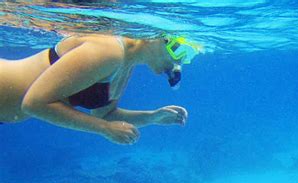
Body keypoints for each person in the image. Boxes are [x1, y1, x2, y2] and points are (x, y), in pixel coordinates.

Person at [0, 34, 200, 144]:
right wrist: (104, 130)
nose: (180, 60)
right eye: (178, 49)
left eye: (188, 55)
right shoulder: (109, 51)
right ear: (156, 37)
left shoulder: (126, 63)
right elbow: (34, 103)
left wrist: (152, 117)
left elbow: (106, 115)